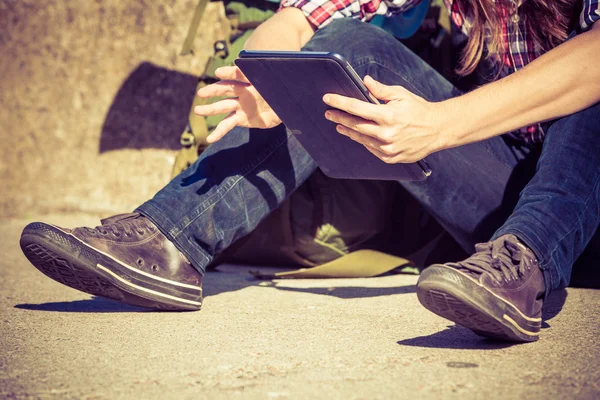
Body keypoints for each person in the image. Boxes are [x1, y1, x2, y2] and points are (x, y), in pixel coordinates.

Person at [20, 0, 600, 342]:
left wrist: (443, 124)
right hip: (502, 186)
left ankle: (527, 265)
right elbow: (308, 16)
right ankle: (170, 241)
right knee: (348, 45)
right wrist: (270, 74)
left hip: (583, 203)